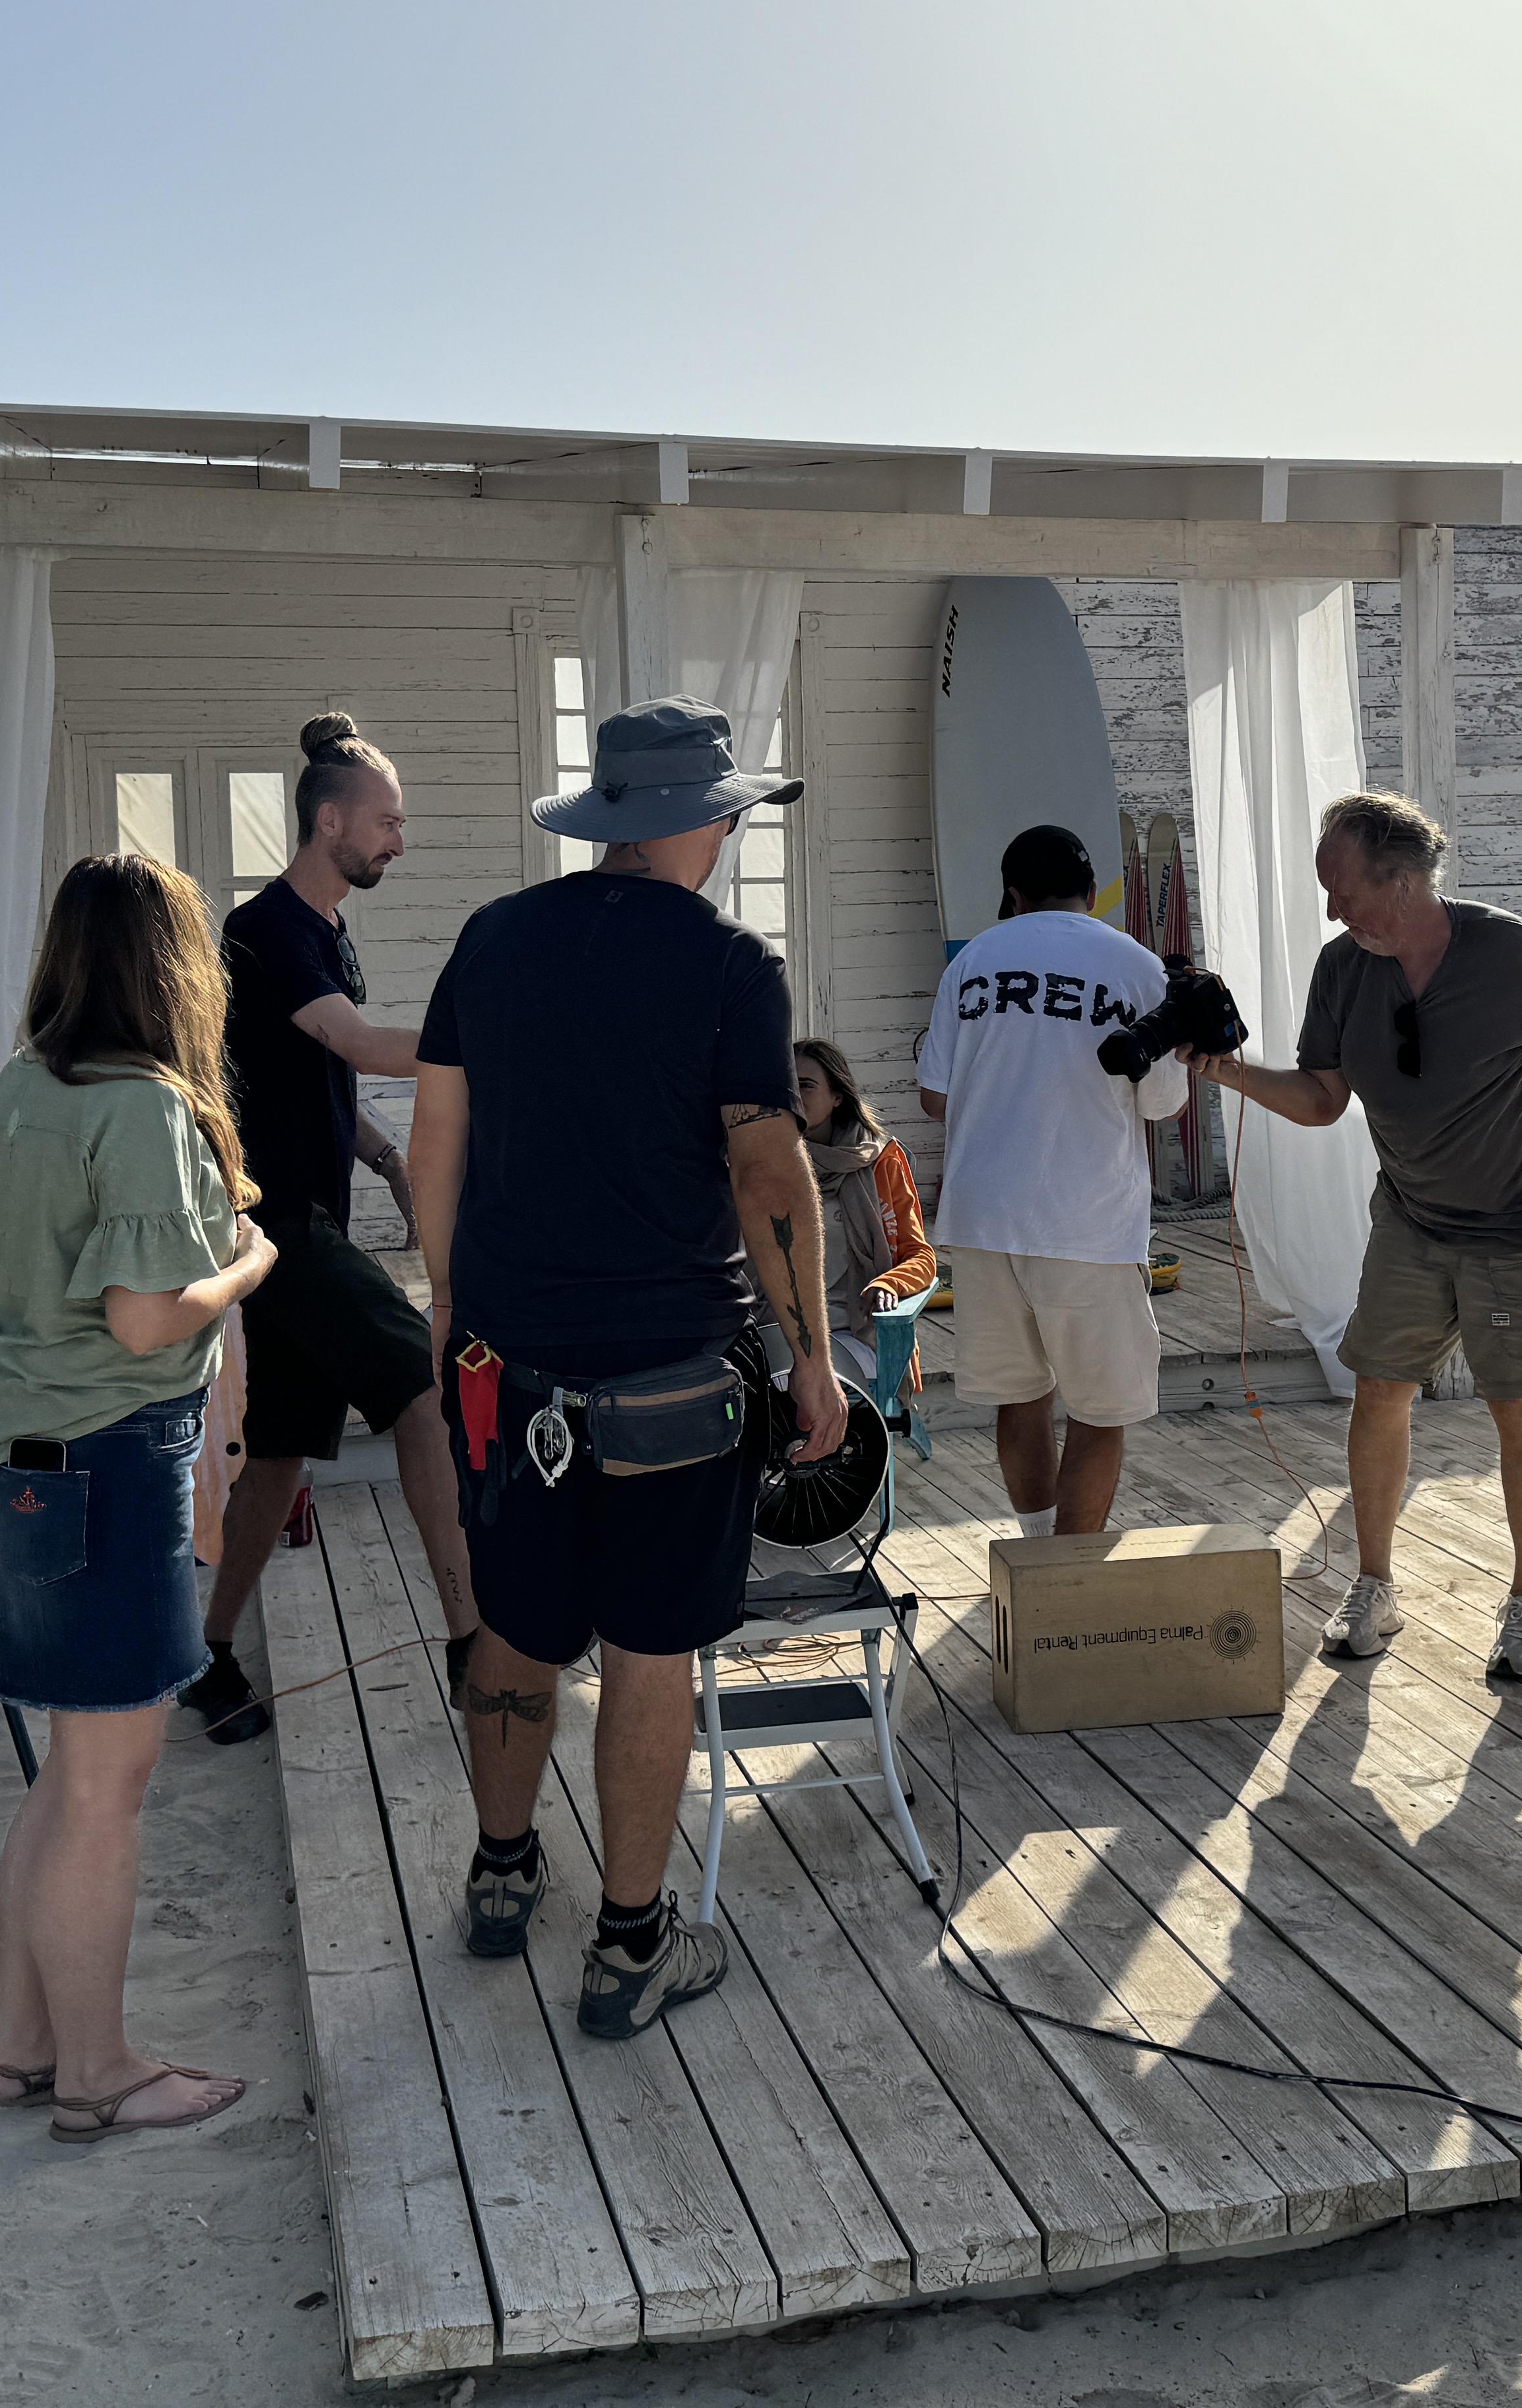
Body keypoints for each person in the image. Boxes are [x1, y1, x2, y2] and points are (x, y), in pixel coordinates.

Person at [410, 696, 849, 2040]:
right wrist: (814, 1359)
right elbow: (769, 1169)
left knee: (516, 1628)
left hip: (508, 1364)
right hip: (669, 1371)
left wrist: (449, 1307)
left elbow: (436, 1140)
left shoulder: (493, 940)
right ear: (700, 822)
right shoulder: (727, 967)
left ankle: (499, 1873)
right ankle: (628, 1944)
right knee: (652, 1648)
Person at [0, 853, 279, 2141]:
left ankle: (17, 2058)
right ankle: (98, 2073)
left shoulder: (18, 1093)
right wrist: (244, 1269)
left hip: (22, 1458)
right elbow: (148, 1316)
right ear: (178, 972)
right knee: (107, 1783)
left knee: (67, 1774)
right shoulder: (146, 1111)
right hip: (110, 1460)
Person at [1195, 791, 1522, 1681]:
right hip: (1411, 1220)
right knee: (1378, 1388)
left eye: (1341, 891)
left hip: (1513, 1229)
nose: (1332, 911)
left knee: (1516, 1409)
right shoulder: (1345, 970)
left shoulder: (1514, 956)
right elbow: (1322, 1100)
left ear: (1406, 879)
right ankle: (1372, 1585)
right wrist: (1226, 1071)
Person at [193, 712, 475, 1749]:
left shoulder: (324, 931)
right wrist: (484, 1045)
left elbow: (315, 1073)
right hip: (281, 1229)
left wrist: (388, 1159)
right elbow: (357, 1041)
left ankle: (209, 1656)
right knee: (422, 1389)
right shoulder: (265, 930)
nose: (399, 842)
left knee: (277, 1458)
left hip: (300, 1221)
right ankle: (468, 1639)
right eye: (388, 823)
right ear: (330, 823)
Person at [915, 826, 1191, 1536]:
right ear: (1091, 890)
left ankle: (1037, 1561)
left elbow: (935, 1096)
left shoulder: (973, 960)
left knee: (1021, 1398)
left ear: (1011, 894)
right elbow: (1163, 1103)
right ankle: (1068, 1591)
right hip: (1089, 1222)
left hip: (983, 1218)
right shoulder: (1135, 964)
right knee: (1102, 1412)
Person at [793, 1033, 938, 1386]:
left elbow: (919, 1256)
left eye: (806, 1085)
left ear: (838, 1097)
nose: (793, 1096)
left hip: (853, 1333)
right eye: (785, 1085)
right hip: (778, 1331)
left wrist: (891, 1282)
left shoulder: (880, 1161)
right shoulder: (762, 1163)